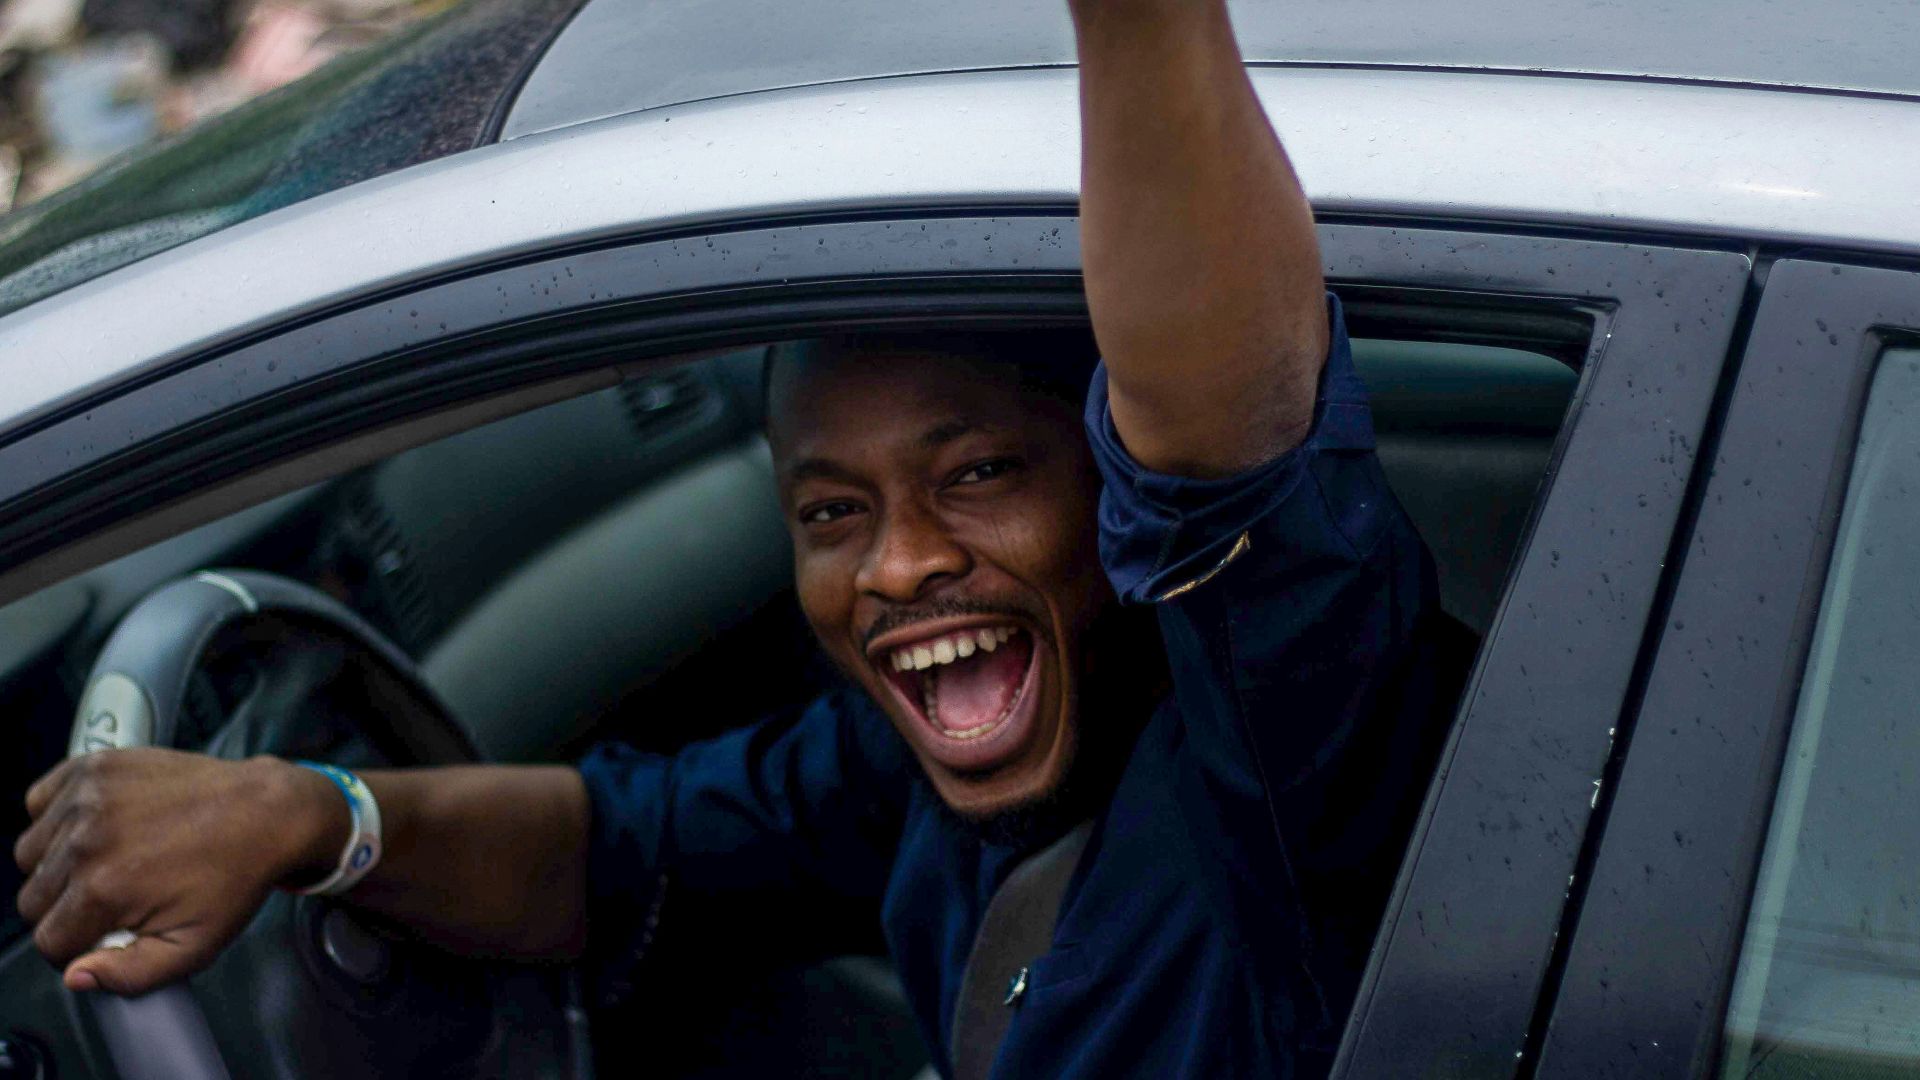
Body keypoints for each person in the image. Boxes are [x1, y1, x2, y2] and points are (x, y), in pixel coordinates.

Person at [12, 0, 1463, 1074]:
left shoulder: (1279, 750)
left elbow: (1231, 437)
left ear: (1106, 474)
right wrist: (311, 817)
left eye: (976, 476)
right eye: (833, 511)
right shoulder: (917, 773)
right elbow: (628, 853)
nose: (897, 566)